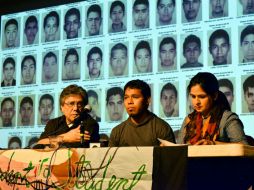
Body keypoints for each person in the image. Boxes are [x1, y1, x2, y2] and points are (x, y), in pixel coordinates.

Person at [178, 72, 248, 145]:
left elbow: (243, 146)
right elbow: (179, 149)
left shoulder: (227, 118)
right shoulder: (189, 120)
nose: (196, 102)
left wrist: (213, 144)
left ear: (214, 96)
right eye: (193, 96)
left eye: (202, 97)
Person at [109, 79, 175, 146]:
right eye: (126, 97)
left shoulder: (162, 129)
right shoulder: (117, 132)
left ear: (147, 100)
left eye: (135, 97)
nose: (129, 102)